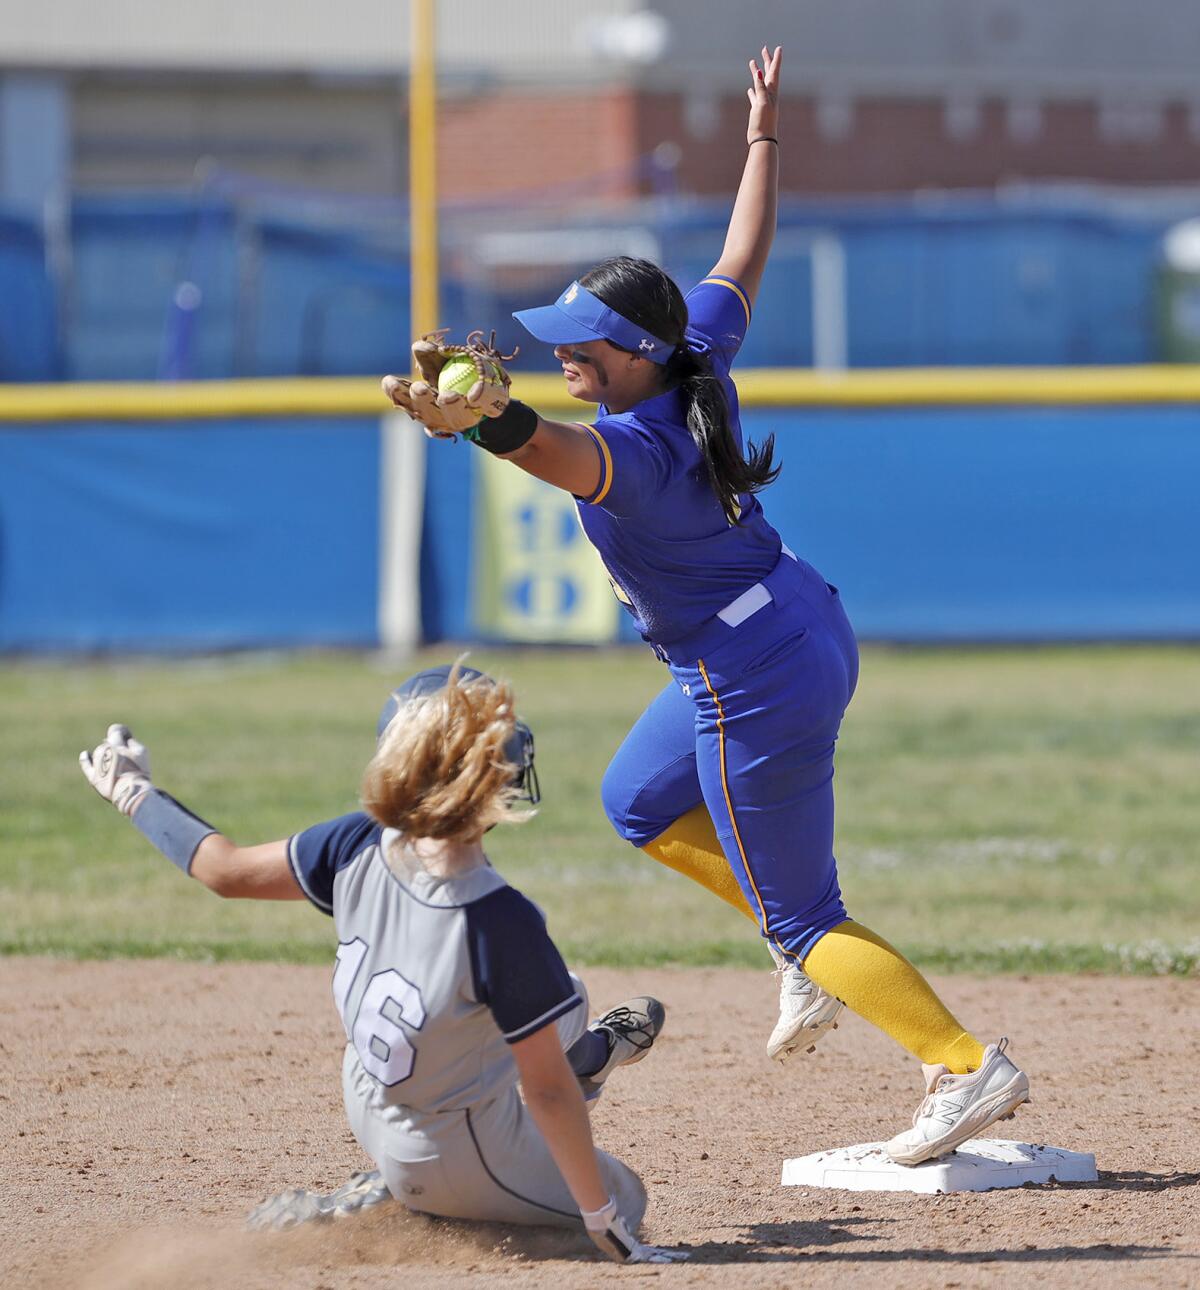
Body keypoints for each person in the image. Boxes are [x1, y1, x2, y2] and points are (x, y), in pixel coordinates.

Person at [383, 46, 1029, 1167]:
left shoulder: (630, 448)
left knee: (806, 916)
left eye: (577, 341)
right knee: (637, 798)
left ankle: (962, 1065)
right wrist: (762, 135)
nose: (558, 349)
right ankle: (802, 949)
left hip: (751, 676)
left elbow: (542, 447)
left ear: (628, 354)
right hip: (792, 621)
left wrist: (476, 419)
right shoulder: (695, 353)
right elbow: (744, 251)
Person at [79, 663, 684, 1264]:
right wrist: (605, 1224)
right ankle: (408, 1204)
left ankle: (584, 1061)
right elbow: (547, 1093)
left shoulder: (356, 842)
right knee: (624, 1197)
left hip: (370, 1091)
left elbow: (225, 870)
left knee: (566, 998)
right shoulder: (497, 917)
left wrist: (135, 791)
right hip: (450, 1149)